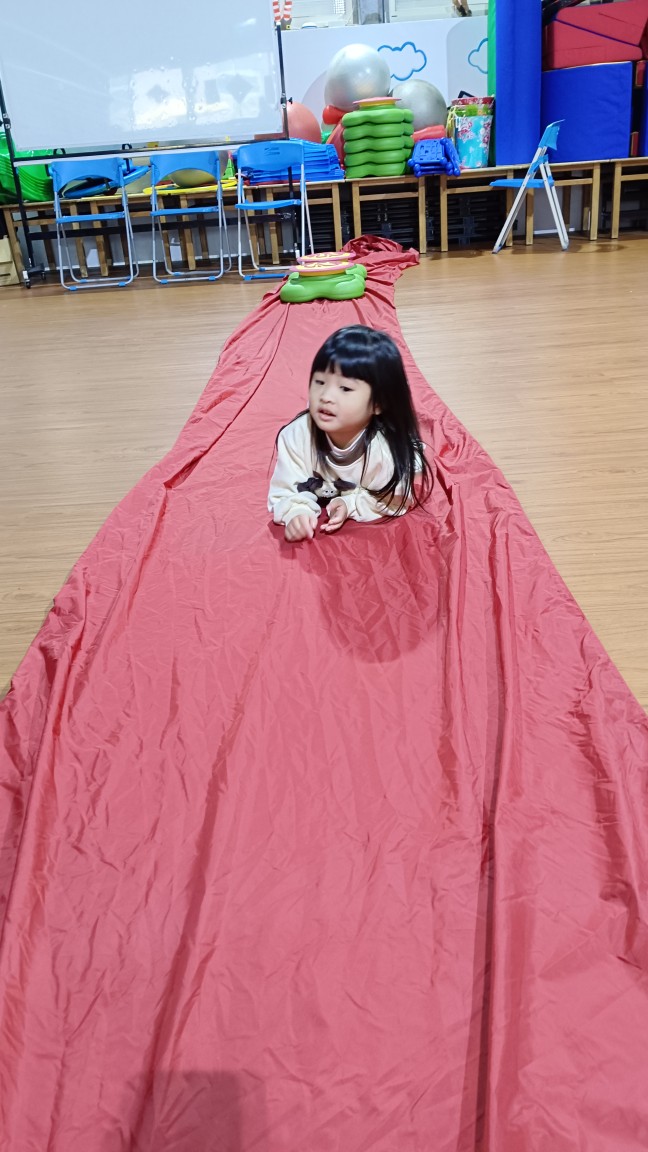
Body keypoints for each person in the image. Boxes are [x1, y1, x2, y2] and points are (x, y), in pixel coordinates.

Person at [268, 325, 434, 542]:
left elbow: (395, 499)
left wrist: (351, 504)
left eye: (345, 388)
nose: (326, 396)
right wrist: (296, 511)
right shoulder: (297, 434)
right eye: (320, 382)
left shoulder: (384, 453)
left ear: (378, 403)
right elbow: (285, 487)